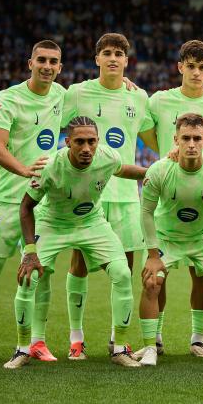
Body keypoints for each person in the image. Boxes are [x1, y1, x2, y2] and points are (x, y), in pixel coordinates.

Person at [9, 116, 147, 369]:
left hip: (91, 222)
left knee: (122, 273)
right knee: (29, 278)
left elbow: (122, 169)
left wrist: (149, 174)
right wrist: (30, 251)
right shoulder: (50, 167)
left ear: (98, 141)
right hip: (52, 224)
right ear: (68, 142)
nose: (86, 148)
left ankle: (120, 348)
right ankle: (22, 349)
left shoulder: (107, 156)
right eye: (80, 142)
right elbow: (26, 208)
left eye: (91, 142)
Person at [0, 40, 64, 363]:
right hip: (8, 199)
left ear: (60, 67)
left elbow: (97, 96)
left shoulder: (63, 96)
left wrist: (124, 82)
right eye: (42, 60)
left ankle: (37, 341)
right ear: (30, 63)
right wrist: (24, 169)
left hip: (42, 204)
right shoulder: (8, 98)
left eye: (53, 61)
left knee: (42, 273)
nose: (47, 66)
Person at [60, 33, 154, 359]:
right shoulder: (77, 93)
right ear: (97, 58)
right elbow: (52, 125)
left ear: (127, 61)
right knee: (79, 262)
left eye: (119, 54)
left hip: (127, 194)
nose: (113, 58)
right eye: (107, 53)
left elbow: (155, 134)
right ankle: (76, 338)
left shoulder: (139, 97)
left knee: (124, 267)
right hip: (88, 194)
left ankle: (119, 340)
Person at [139, 40, 203, 358]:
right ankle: (156, 339)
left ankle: (197, 340)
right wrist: (167, 158)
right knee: (156, 279)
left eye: (202, 67)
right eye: (190, 66)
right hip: (171, 193)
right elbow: (145, 131)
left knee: (202, 275)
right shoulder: (159, 101)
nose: (196, 72)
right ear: (180, 67)